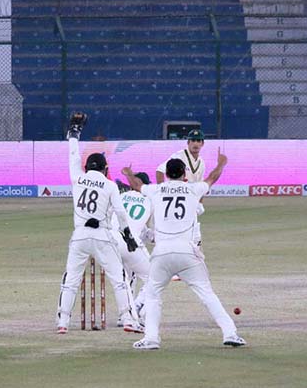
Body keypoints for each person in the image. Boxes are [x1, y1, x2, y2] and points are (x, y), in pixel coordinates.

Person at [123, 151, 246, 350]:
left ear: (168, 174)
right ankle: (230, 333)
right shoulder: (192, 189)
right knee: (207, 294)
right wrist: (222, 163)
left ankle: (151, 338)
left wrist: (128, 173)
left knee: (153, 295)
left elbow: (137, 185)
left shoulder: (156, 190)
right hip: (187, 251)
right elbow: (212, 177)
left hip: (161, 252)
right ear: (184, 175)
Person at [55, 113, 143, 335]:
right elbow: (121, 214)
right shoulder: (110, 185)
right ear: (105, 169)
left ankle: (63, 323)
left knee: (71, 280)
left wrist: (74, 134)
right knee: (120, 279)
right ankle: (129, 320)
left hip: (80, 236)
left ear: (87, 168)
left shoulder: (77, 178)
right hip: (103, 236)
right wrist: (129, 237)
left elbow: (73, 156)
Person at [111, 172, 153, 326]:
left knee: (125, 280)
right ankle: (138, 311)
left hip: (110, 242)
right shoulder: (150, 200)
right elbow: (150, 233)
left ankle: (125, 316)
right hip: (130, 243)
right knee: (153, 277)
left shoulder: (122, 196)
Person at [156, 129, 206, 247]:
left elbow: (201, 185)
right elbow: (159, 170)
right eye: (193, 140)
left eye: (198, 140)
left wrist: (199, 203)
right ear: (188, 142)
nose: (196, 143)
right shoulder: (178, 156)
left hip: (191, 202)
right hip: (176, 200)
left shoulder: (201, 163)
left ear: (202, 143)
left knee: (195, 240)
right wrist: (161, 192)